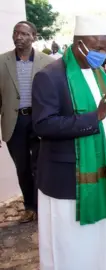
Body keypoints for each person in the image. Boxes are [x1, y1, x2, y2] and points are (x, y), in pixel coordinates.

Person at [31, 15, 106, 270]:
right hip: (69, 177)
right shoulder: (50, 76)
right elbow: (42, 125)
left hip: (103, 171)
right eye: (98, 48)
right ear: (78, 43)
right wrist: (94, 117)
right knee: (72, 246)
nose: (103, 54)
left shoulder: (100, 73)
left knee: (101, 242)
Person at [0, 21, 54, 223]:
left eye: (23, 33)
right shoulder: (2, 62)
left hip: (39, 120)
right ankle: (30, 207)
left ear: (34, 37)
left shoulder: (47, 62)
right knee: (22, 167)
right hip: (15, 122)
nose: (18, 37)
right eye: (16, 33)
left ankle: (44, 206)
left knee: (40, 166)